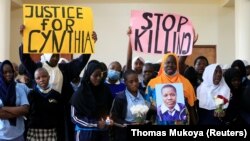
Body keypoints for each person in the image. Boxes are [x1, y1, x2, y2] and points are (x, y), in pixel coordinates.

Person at [19, 24, 97, 141]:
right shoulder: (39, 68)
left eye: (56, 55)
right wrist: (24, 39)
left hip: (61, 111)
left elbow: (81, 62)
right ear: (46, 55)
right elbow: (25, 60)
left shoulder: (65, 68)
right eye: (52, 56)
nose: (55, 58)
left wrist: (90, 43)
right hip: (40, 113)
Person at [145, 53, 197, 125]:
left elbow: (191, 107)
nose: (170, 65)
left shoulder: (185, 82)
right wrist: (159, 108)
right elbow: (146, 103)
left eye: (173, 63)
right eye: (168, 63)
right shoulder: (153, 83)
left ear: (177, 65)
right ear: (163, 64)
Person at [70, 60, 113, 141]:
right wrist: (95, 124)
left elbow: (109, 109)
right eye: (95, 76)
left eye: (100, 75)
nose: (98, 78)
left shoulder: (105, 90)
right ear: (89, 75)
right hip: (85, 134)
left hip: (102, 133)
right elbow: (74, 117)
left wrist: (108, 120)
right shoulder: (80, 93)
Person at [110, 70, 149, 141]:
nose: (134, 84)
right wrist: (129, 124)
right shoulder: (120, 97)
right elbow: (114, 118)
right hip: (125, 134)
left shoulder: (143, 94)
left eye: (136, 80)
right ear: (125, 83)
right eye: (131, 82)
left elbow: (148, 111)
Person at [26, 68, 63, 141]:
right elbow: (27, 113)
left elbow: (60, 116)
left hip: (51, 132)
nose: (41, 79)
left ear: (49, 77)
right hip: (34, 131)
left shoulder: (56, 95)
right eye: (38, 78)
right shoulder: (31, 94)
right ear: (35, 80)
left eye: (44, 76)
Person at [0, 60, 30, 141]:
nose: (8, 74)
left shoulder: (20, 87)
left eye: (10, 71)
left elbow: (25, 109)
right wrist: (17, 111)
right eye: (5, 72)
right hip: (1, 135)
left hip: (19, 135)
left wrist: (4, 109)